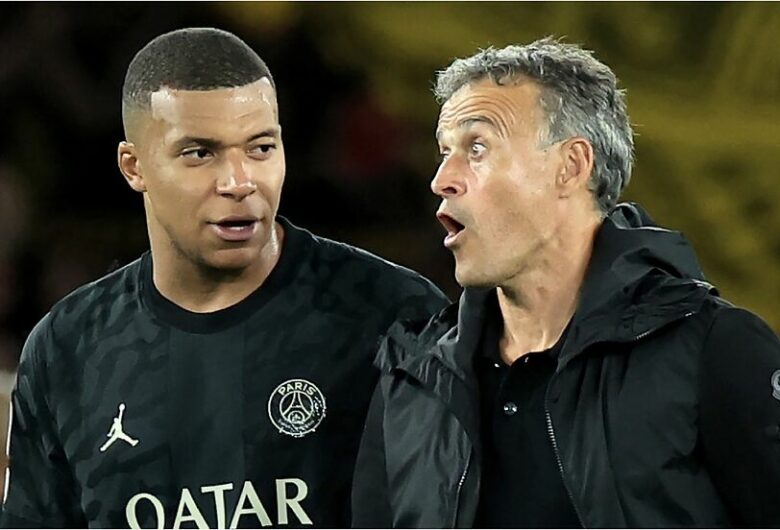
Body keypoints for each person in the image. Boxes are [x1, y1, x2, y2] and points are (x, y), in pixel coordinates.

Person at [0, 27, 449, 529]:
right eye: (200, 153)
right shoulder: (67, 349)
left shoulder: (394, 316)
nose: (239, 182)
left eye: (260, 148)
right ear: (134, 166)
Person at [351, 38, 780, 528]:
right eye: (444, 152)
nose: (441, 178)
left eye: (477, 147)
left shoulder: (712, 349)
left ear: (571, 166)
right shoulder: (413, 381)